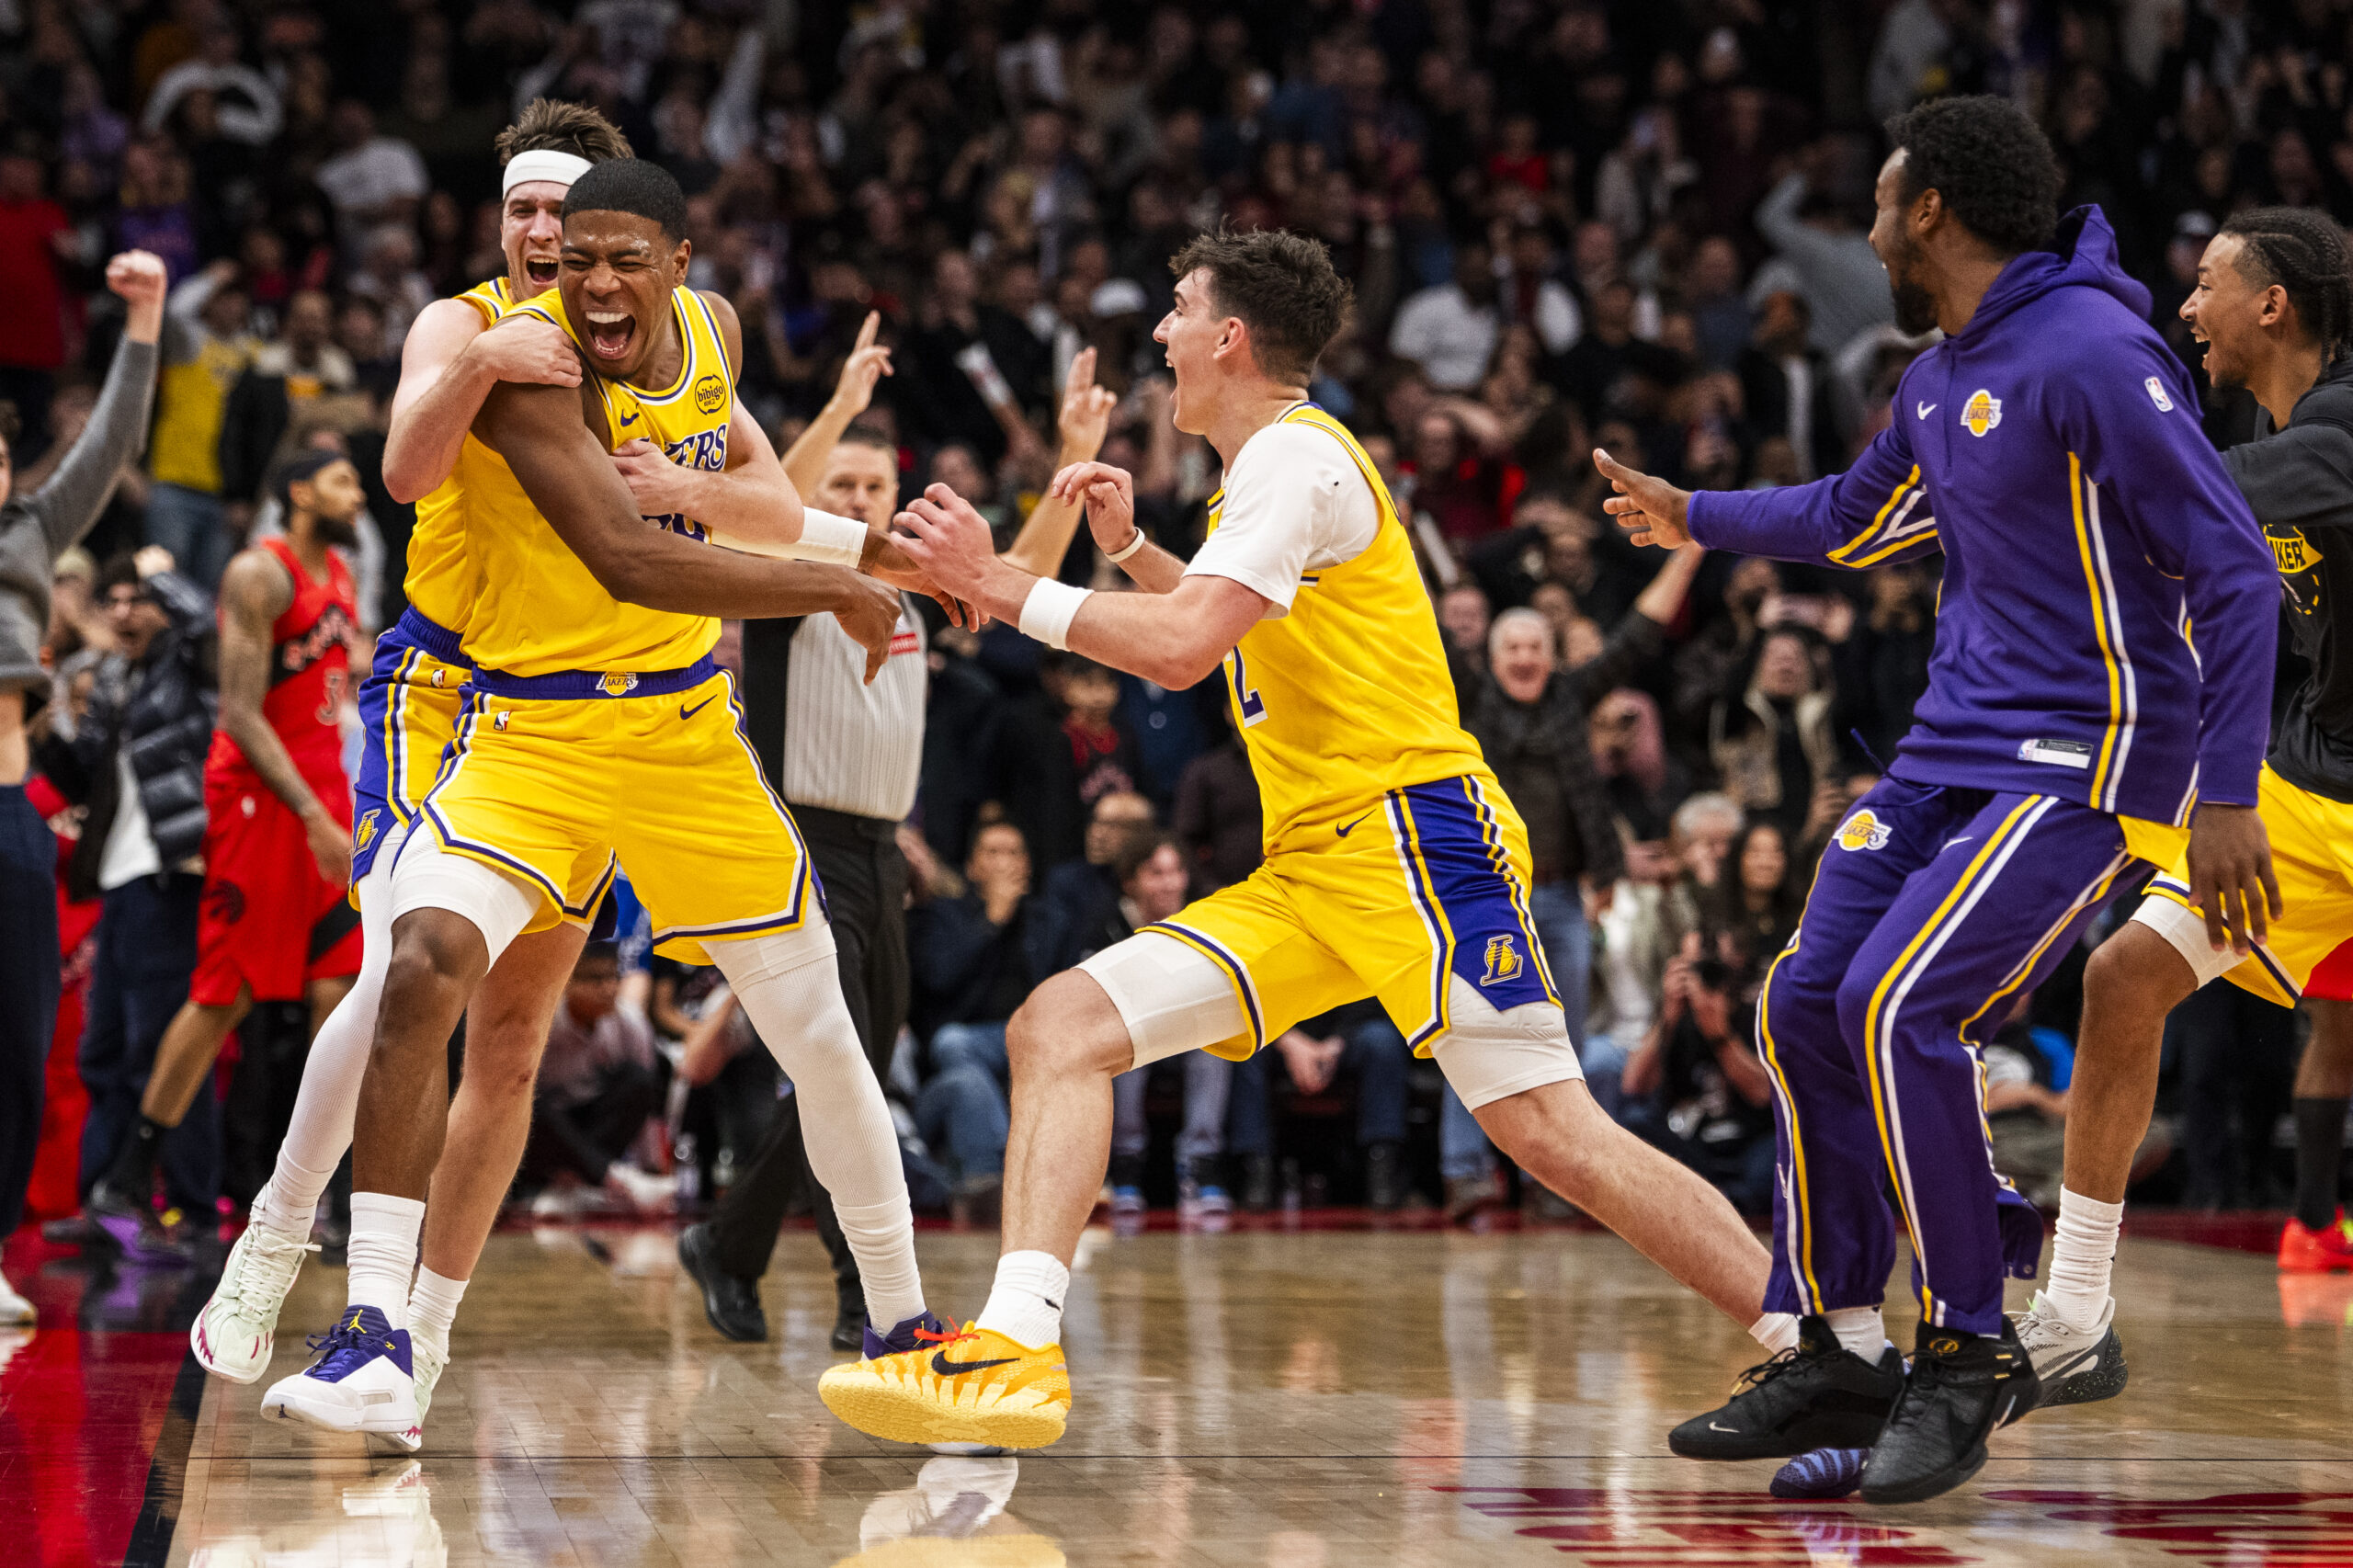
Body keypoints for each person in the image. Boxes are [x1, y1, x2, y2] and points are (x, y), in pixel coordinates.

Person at [826, 225, 1781, 1453]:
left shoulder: (1296, 459)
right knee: (1058, 1026)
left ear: (1228, 336)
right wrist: (1122, 549)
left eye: (1175, 311)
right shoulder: (1268, 475)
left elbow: (1179, 650)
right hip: (1318, 863)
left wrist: (1002, 584)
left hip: (1410, 834)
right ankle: (1015, 1351)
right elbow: (1216, 616)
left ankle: (1810, 1341)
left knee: (1552, 1130)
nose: (1159, 333)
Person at [1595, 97, 2279, 1504]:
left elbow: (2237, 570)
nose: (1861, 227)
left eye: (1878, 200)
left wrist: (2225, 793)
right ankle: (1842, 1339)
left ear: (1931, 213)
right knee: (1801, 999)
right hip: (1949, 747)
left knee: (1900, 1005)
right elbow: (1855, 517)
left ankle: (1967, 1347)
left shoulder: (2094, 351)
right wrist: (1695, 515)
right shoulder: (1936, 373)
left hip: (2087, 753)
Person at [259, 159, 952, 1448]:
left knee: (822, 1026)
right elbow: (628, 562)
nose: (593, 281)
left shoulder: (712, 337)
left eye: (623, 256)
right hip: (534, 729)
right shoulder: (524, 364)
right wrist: (836, 583)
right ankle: (373, 1331)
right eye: (575, 256)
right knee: (416, 966)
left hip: (685, 734)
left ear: (682, 263)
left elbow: (761, 499)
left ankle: (905, 1329)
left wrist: (842, 542)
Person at [189, 105, 634, 1432]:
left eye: (563, 211)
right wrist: (483, 362)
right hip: (446, 688)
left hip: (591, 711)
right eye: (521, 211)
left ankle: (419, 1349)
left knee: (509, 1044)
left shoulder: (658, 340)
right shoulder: (457, 319)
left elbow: (714, 494)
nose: (541, 232)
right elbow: (403, 467)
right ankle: (276, 1235)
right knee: (403, 965)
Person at [676, 334, 1115, 1348]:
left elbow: (1020, 579)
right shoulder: (790, 574)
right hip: (807, 843)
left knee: (858, 1076)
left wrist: (1068, 451)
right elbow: (767, 500)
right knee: (848, 1076)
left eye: (877, 481)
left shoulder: (907, 578)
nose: (863, 497)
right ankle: (849, 1291)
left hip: (882, 850)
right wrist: (829, 408)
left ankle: (734, 1243)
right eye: (844, 482)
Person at [2019, 209, 2353, 1377]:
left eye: (2205, 284)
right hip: (2315, 796)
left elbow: (2203, 493)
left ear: (2272, 304)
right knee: (2122, 978)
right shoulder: (2273, 429)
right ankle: (2069, 1317)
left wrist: (2063, 461)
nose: (2186, 308)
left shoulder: (2341, 423)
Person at [84, 449, 366, 1250]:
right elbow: (240, 714)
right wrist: (313, 814)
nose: (359, 495)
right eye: (343, 482)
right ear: (299, 492)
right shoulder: (259, 573)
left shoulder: (340, 575)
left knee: (340, 993)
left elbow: (326, 697)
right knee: (224, 995)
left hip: (322, 802)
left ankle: (332, 1194)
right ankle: (129, 1176)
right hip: (260, 804)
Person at [0, 251, 165, 1324]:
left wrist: (142, 320)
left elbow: (107, 448)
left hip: (12, 817)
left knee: (16, 1043)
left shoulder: (27, 534)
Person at [40, 550, 215, 1256]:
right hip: (117, 876)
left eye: (136, 599)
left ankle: (197, 1208)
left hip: (168, 872)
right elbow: (80, 772)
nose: (122, 612)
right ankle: (104, 1203)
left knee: (164, 1045)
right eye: (112, 601)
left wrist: (165, 574)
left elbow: (205, 623)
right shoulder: (111, 675)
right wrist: (36, 711)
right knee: (104, 1050)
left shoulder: (186, 667)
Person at [1104, 832, 1234, 1221]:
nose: (1169, 883)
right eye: (1156, 873)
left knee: (1215, 1041)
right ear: (1131, 881)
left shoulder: (1204, 919)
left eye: (1176, 872)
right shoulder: (1108, 924)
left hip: (1189, 1033)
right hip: (1134, 1033)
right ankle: (1125, 1163)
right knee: (1129, 1038)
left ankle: (1200, 1162)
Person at [520, 944, 671, 1208]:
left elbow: (647, 1109)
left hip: (594, 1122)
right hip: (546, 1130)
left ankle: (580, 1186)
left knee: (641, 1081)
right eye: (595, 979)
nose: (609, 988)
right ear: (566, 981)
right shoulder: (544, 1023)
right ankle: (607, 1179)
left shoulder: (630, 1022)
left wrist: (652, 1168)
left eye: (614, 977)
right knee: (527, 1102)